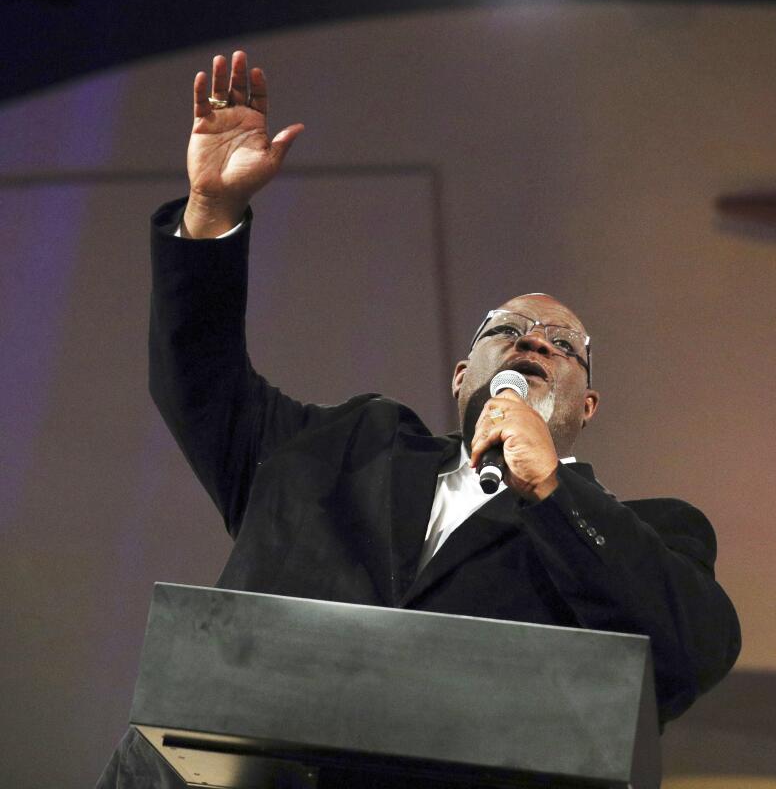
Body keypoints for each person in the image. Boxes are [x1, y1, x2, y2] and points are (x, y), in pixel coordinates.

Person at [98, 51, 739, 787]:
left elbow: (696, 652)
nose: (533, 340)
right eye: (508, 330)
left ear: (586, 409)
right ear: (462, 374)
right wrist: (209, 214)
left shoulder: (655, 533)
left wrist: (553, 493)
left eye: (563, 346)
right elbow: (198, 382)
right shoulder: (339, 447)